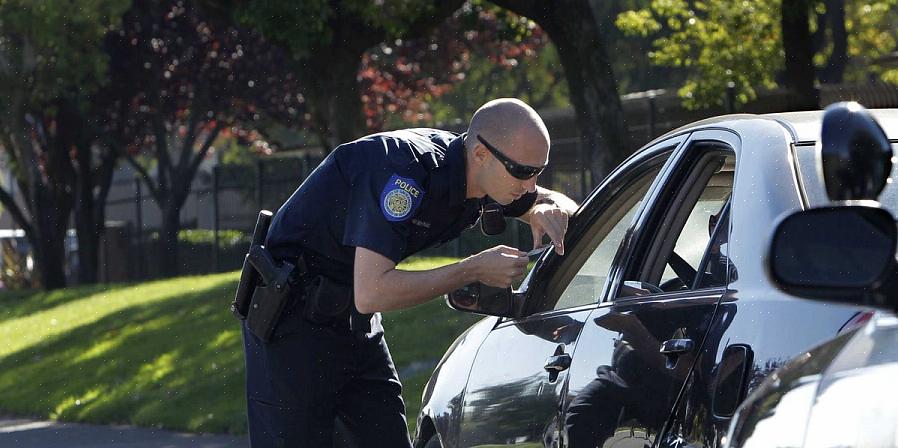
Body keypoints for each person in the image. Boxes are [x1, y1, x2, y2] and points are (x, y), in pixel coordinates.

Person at [242, 98, 578, 447]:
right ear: (480, 154)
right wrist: (472, 269)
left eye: (539, 170)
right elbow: (372, 291)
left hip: (354, 324)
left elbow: (560, 203)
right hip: (291, 323)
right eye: (524, 172)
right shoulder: (403, 172)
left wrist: (547, 207)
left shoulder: (489, 174)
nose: (531, 182)